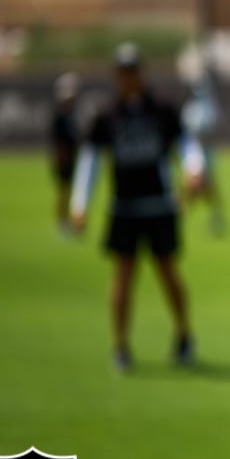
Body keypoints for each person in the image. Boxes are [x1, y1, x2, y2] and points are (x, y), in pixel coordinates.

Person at [70, 42, 205, 373]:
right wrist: (80, 204)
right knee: (123, 277)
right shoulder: (106, 114)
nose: (128, 77)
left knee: (168, 273)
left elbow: (186, 144)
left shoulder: (161, 110)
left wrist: (193, 169)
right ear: (116, 75)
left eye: (133, 71)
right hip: (124, 208)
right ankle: (120, 346)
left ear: (140, 73)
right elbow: (91, 161)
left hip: (159, 205)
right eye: (122, 72)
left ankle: (184, 334)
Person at [181, 72, 227, 236]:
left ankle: (215, 215)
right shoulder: (191, 108)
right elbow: (188, 130)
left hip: (207, 150)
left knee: (207, 185)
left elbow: (216, 126)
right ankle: (182, 213)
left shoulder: (211, 107)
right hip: (194, 149)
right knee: (194, 183)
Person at [50, 72, 81, 237]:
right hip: (64, 158)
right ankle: (61, 222)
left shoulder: (72, 114)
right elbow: (58, 140)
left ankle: (68, 220)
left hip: (73, 156)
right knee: (64, 191)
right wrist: (62, 158)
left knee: (70, 191)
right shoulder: (60, 116)